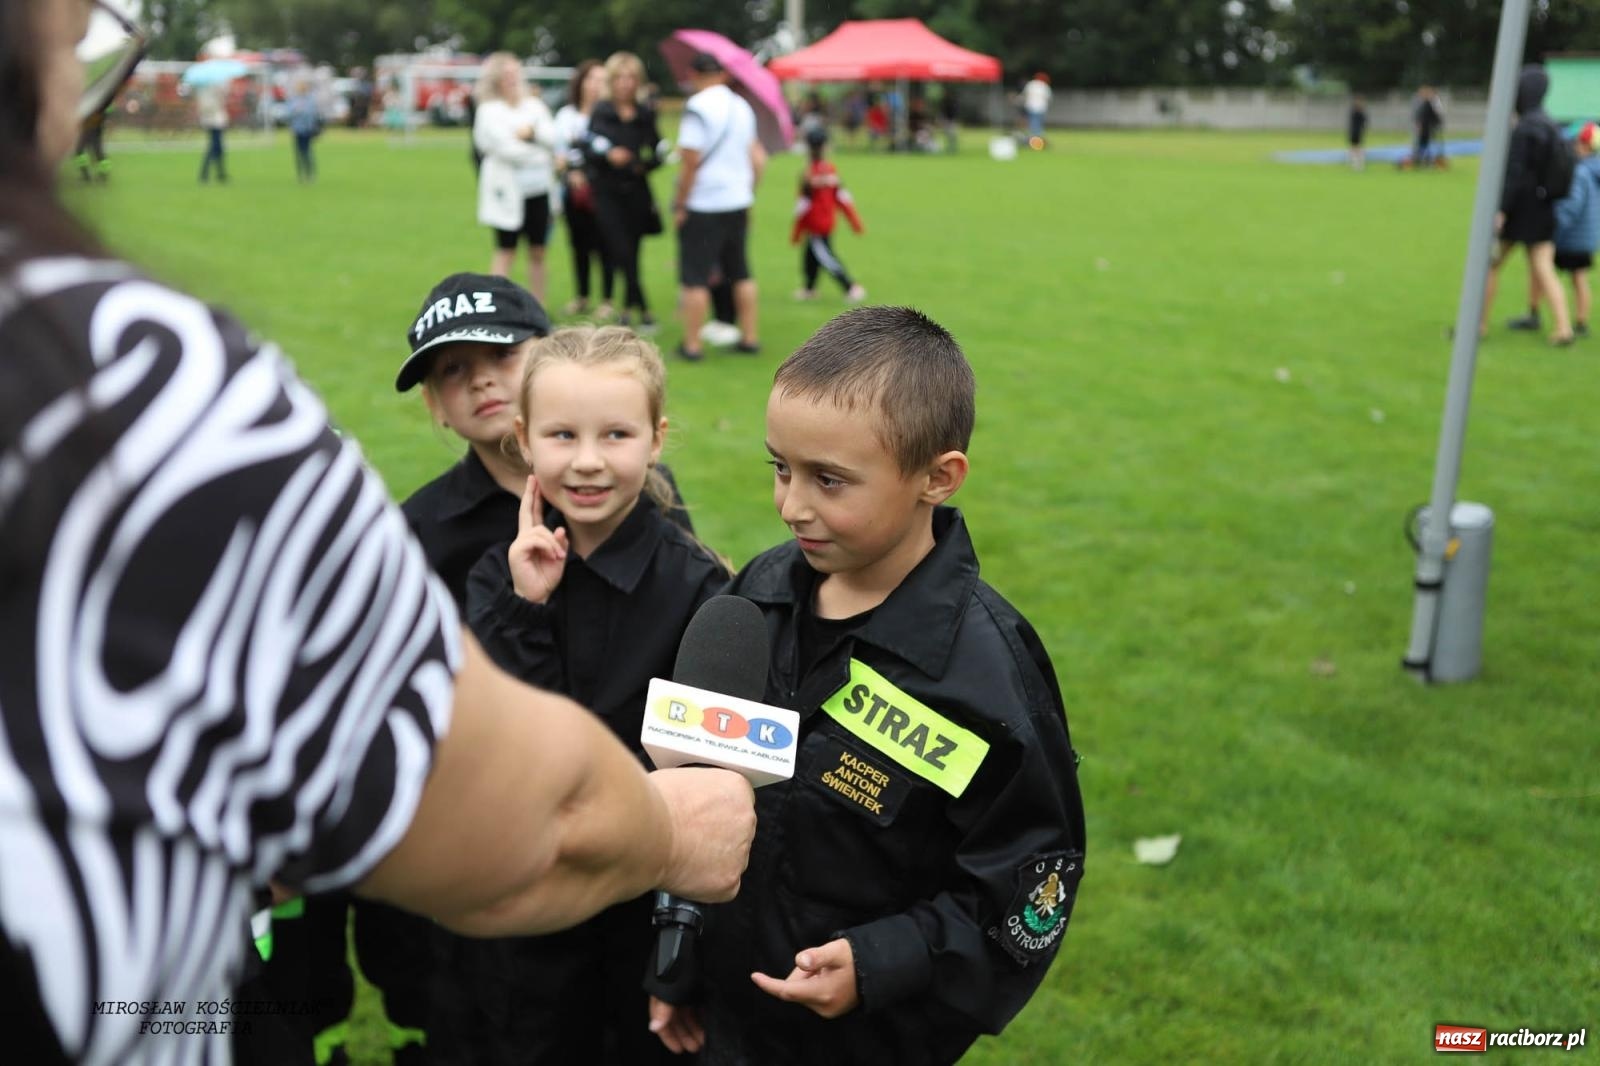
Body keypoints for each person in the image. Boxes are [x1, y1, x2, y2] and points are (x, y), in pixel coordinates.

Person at [0, 5, 756, 1064]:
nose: (485, 384)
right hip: (444, 914)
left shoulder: (678, 552)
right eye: (456, 374)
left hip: (592, 937)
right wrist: (669, 829)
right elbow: (425, 777)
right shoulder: (164, 392)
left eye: (505, 360)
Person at [647, 307, 1087, 1065]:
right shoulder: (754, 597)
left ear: (937, 479)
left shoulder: (982, 670)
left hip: (870, 1038)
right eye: (780, 469)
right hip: (725, 1019)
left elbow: (1025, 893)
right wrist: (676, 954)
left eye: (830, 480)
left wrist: (887, 959)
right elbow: (695, 792)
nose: (791, 506)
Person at [453, 325, 730, 1065]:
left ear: (656, 437)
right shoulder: (495, 582)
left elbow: (717, 789)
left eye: (615, 434)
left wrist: (681, 948)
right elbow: (499, 743)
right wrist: (525, 608)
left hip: (641, 917)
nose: (586, 461)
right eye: (561, 434)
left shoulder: (704, 593)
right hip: (527, 912)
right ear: (523, 438)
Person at [672, 52, 766, 362]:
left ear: (695, 74)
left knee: (695, 276)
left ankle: (692, 344)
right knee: (740, 271)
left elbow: (689, 162)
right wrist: (747, 191)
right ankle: (750, 337)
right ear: (722, 74)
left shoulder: (697, 108)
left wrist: (680, 203)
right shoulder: (742, 107)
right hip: (737, 200)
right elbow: (757, 159)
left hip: (704, 202)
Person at [1481, 65, 1574, 346]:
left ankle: (1478, 323)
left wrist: (1501, 209)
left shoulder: (1524, 129)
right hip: (1545, 208)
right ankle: (1563, 326)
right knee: (1543, 266)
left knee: (1491, 264)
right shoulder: (1551, 125)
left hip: (1521, 211)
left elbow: (1515, 174)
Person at [587, 52, 663, 334]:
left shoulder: (644, 114)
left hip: (636, 190)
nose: (625, 84)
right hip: (607, 192)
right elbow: (589, 147)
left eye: (631, 78)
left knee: (632, 250)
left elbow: (658, 150)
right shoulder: (602, 111)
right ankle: (643, 309)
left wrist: (643, 163)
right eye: (620, 78)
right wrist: (609, 155)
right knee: (620, 249)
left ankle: (628, 310)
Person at [474, 52, 558, 305]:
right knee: (506, 250)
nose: (512, 79)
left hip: (538, 188)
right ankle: (495, 306)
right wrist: (538, 152)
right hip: (506, 190)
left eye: (515, 73)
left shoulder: (534, 106)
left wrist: (530, 135)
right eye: (506, 74)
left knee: (538, 250)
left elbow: (551, 138)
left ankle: (538, 306)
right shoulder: (489, 111)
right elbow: (503, 148)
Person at [1510, 121, 1600, 339]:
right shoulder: (1593, 171)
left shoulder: (1580, 172)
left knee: (1546, 270)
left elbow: (1572, 205)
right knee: (1578, 277)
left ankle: (1546, 315)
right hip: (1586, 236)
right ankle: (1580, 321)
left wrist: (1554, 223)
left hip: (1571, 237)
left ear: (1585, 146)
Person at [554, 59, 616, 320]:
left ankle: (607, 298)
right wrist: (570, 172)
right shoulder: (566, 116)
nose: (595, 86)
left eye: (602, 80)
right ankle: (582, 295)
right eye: (591, 79)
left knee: (605, 244)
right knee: (579, 244)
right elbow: (558, 155)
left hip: (604, 191)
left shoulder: (611, 116)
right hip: (574, 191)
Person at [791, 128, 866, 304]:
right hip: (823, 223)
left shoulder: (809, 174)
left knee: (825, 257)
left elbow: (802, 206)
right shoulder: (828, 171)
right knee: (810, 257)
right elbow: (842, 198)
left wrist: (796, 232)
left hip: (817, 225)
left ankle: (850, 286)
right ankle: (809, 289)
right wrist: (854, 222)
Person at [286, 76, 320, 183]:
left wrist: (303, 113)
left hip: (307, 129)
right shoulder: (294, 99)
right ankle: (300, 175)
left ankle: (309, 173)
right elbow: (289, 113)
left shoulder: (310, 100)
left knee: (307, 152)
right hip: (297, 129)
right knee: (298, 153)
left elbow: (312, 114)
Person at [196, 79, 229, 183]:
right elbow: (207, 107)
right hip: (212, 121)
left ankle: (219, 173)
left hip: (216, 120)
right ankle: (205, 172)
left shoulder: (213, 88)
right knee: (214, 146)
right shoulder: (205, 90)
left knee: (218, 147)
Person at [1410, 85, 1444, 168]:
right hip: (1426, 128)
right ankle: (1422, 159)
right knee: (1423, 144)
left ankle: (1423, 159)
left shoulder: (1430, 103)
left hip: (1428, 128)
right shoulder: (1425, 103)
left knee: (1425, 144)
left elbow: (1433, 116)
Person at [1021, 71, 1052, 146]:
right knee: (1038, 124)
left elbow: (1025, 95)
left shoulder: (1031, 84)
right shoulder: (1044, 86)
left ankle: (1033, 139)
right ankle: (1037, 139)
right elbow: (1048, 97)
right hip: (1041, 108)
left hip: (1031, 107)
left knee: (1033, 123)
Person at [1347, 95, 1367, 171]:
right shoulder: (1355, 112)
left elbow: (1364, 123)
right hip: (1354, 132)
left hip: (1358, 132)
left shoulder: (1360, 113)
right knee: (1353, 148)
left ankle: (1359, 165)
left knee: (1358, 148)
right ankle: (1355, 165)